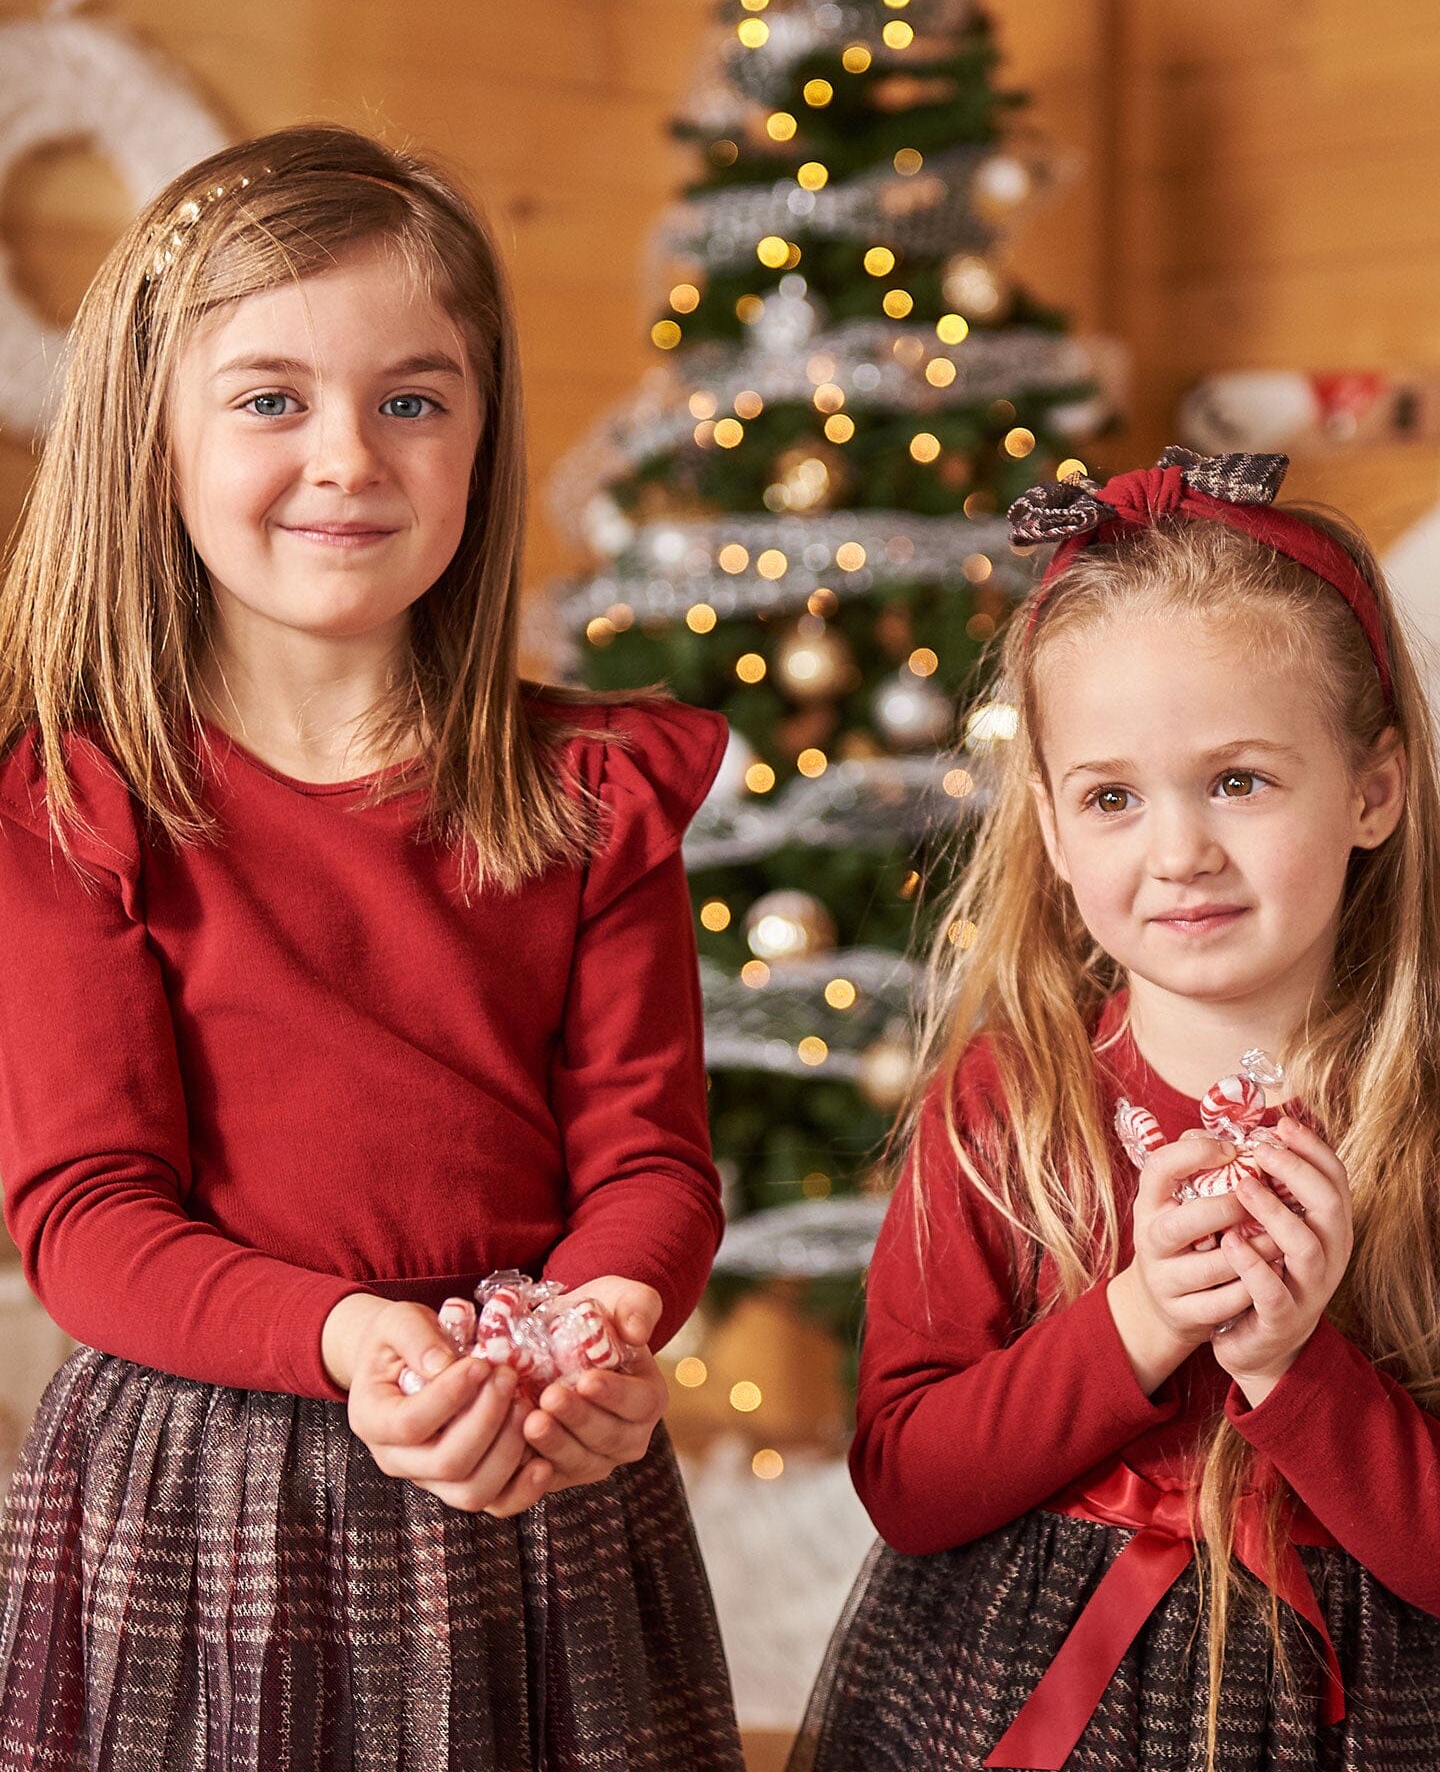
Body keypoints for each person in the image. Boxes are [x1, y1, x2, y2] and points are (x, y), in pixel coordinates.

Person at [0, 125, 745, 1771]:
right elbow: (87, 1214)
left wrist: (605, 1321)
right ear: (150, 443)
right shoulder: (75, 805)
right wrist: (354, 1340)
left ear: (481, 435)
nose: (349, 455)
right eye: (271, 399)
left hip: (535, 1470)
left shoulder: (590, 798)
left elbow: (651, 1163)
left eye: (413, 399)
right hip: (209, 1489)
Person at [788, 447, 1440, 1771]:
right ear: (1048, 816)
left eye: (1240, 781)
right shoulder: (1003, 1109)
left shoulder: (1418, 1122)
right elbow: (910, 1484)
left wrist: (1291, 1367)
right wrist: (1137, 1321)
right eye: (1112, 798)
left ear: (1372, 789)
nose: (1180, 850)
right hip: (1023, 1693)